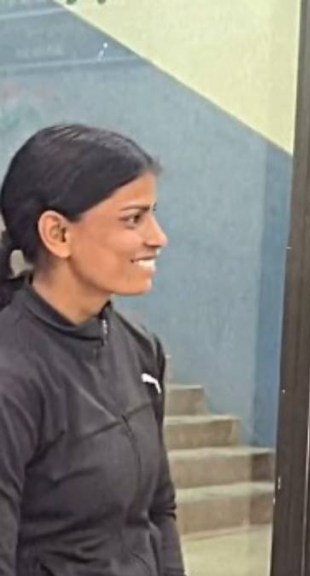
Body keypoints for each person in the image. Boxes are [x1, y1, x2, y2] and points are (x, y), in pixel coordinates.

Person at [0, 125, 185, 575]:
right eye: (133, 219)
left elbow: (159, 511)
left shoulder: (140, 348)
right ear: (58, 233)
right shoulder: (11, 372)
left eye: (153, 214)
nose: (158, 237)